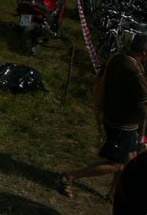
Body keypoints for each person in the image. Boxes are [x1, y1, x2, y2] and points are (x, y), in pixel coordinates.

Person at [58, 34, 147, 201]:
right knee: (117, 164)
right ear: (144, 52)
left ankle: (113, 194)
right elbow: (144, 98)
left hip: (118, 117)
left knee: (129, 162)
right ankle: (70, 176)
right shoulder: (133, 69)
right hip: (122, 123)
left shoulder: (119, 57)